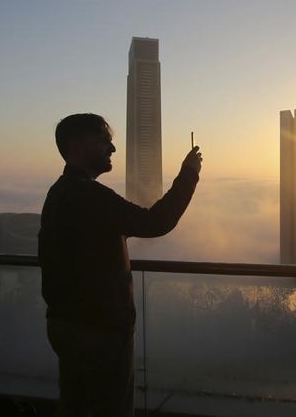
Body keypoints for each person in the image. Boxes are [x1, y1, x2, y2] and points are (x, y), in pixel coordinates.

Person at [38, 113, 201, 417]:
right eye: (104, 141)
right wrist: (189, 175)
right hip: (100, 331)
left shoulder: (58, 193)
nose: (112, 149)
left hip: (66, 324)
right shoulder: (89, 195)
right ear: (78, 144)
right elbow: (156, 222)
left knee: (75, 404)